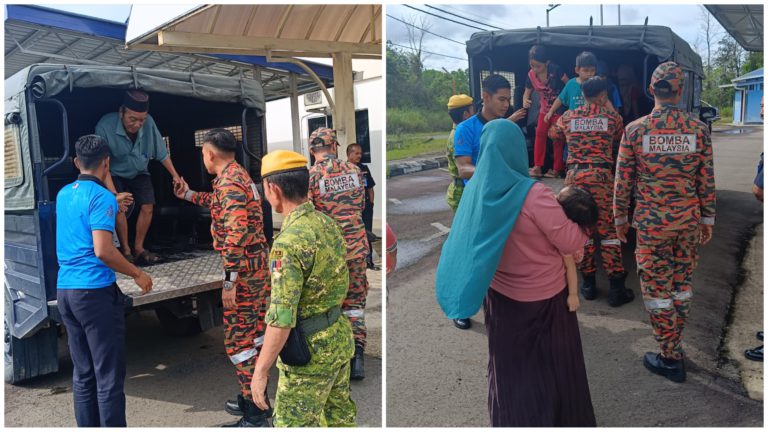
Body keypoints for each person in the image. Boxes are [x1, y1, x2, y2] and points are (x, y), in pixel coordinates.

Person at [436, 120, 595, 427]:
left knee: (510, 371)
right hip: (546, 303)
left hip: (500, 300)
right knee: (554, 371)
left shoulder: (476, 192)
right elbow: (572, 242)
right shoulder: (534, 195)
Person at [614, 62, 716, 383]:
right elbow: (706, 179)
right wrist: (708, 218)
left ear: (651, 91)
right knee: (681, 286)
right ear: (681, 91)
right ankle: (674, 343)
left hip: (652, 225)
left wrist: (619, 217)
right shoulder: (698, 130)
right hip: (687, 223)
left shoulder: (635, 130)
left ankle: (670, 356)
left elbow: (623, 181)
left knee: (657, 291)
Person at [250, 150, 356, 427]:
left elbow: (282, 317)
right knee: (338, 420)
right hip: (339, 337)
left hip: (311, 355)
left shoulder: (287, 244)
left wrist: (261, 372)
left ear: (273, 189)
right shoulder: (327, 223)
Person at [173, 129, 272, 427]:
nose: (202, 158)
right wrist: (189, 195)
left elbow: (237, 231)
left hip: (242, 271)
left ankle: (255, 415)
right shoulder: (237, 176)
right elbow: (220, 203)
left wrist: (229, 279)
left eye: (203, 153)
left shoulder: (229, 182)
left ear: (211, 154)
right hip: (255, 267)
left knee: (239, 343)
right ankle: (254, 397)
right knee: (255, 336)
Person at [56, 134, 153, 427]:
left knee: (83, 373)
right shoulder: (102, 198)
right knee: (108, 375)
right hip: (94, 294)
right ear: (107, 163)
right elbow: (103, 250)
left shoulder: (63, 193)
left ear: (76, 162)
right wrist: (137, 273)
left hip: (66, 291)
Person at [550, 77, 634, 307]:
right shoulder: (611, 118)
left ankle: (588, 285)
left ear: (583, 94)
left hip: (575, 179)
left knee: (581, 230)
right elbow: (620, 136)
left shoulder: (568, 117)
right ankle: (617, 288)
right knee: (608, 234)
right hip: (602, 179)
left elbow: (553, 134)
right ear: (603, 95)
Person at [451, 74, 527, 330]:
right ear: (485, 97)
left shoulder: (509, 128)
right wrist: (492, 169)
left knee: (507, 255)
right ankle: (461, 306)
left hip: (507, 200)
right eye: (501, 99)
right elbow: (463, 168)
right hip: (479, 202)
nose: (506, 105)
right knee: (473, 257)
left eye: (509, 99)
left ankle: (505, 304)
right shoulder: (466, 129)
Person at [308, 127, 369, 380]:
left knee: (330, 305)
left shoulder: (311, 177)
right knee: (354, 303)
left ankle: (336, 359)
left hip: (331, 254)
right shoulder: (355, 171)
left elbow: (311, 215)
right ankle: (358, 358)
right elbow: (362, 205)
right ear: (335, 147)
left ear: (313, 151)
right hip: (356, 248)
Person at [96, 90, 182, 265]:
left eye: (142, 119)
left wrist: (176, 176)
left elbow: (162, 153)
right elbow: (102, 164)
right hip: (113, 172)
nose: (137, 124)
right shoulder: (105, 125)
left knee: (148, 206)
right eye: (132, 119)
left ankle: (139, 248)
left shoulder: (148, 124)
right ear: (122, 113)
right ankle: (126, 251)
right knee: (120, 207)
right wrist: (114, 195)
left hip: (139, 170)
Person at [522, 45, 569, 178]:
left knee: (556, 136)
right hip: (544, 109)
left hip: (558, 108)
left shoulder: (556, 70)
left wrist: (570, 100)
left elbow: (569, 84)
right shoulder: (531, 75)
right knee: (540, 133)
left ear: (547, 63)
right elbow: (527, 93)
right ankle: (537, 167)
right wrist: (525, 100)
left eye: (538, 66)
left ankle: (556, 169)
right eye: (532, 65)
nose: (535, 69)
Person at [556, 185, 599, 313]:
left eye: (557, 199)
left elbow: (570, 268)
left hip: (556, 281)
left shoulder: (562, 237)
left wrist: (573, 295)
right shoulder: (581, 229)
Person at [346, 143, 378, 270]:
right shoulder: (344, 169)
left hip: (366, 207)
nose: (360, 156)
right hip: (351, 209)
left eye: (361, 153)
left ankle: (369, 261)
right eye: (356, 153)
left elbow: (370, 187)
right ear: (349, 154)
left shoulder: (364, 168)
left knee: (367, 233)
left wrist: (371, 203)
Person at [445, 94, 476, 212]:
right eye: (473, 111)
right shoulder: (459, 137)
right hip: (462, 193)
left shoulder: (459, 132)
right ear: (465, 115)